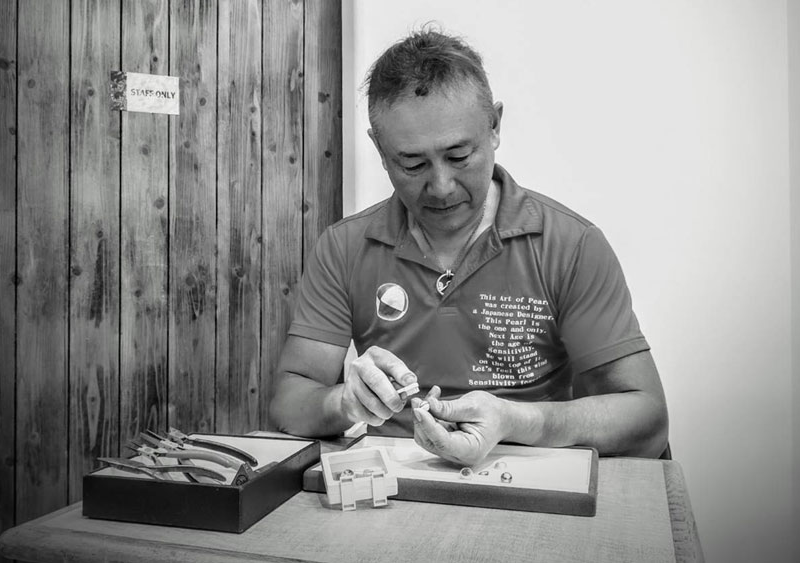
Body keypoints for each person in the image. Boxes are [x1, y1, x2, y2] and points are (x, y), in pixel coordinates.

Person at [269, 28, 668, 466]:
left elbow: (646, 419)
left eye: (459, 156)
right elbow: (290, 402)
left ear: (494, 126)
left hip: (529, 476)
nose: (441, 187)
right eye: (413, 163)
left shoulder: (570, 245)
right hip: (397, 485)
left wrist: (516, 421)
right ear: (380, 150)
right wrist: (345, 402)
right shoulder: (344, 247)